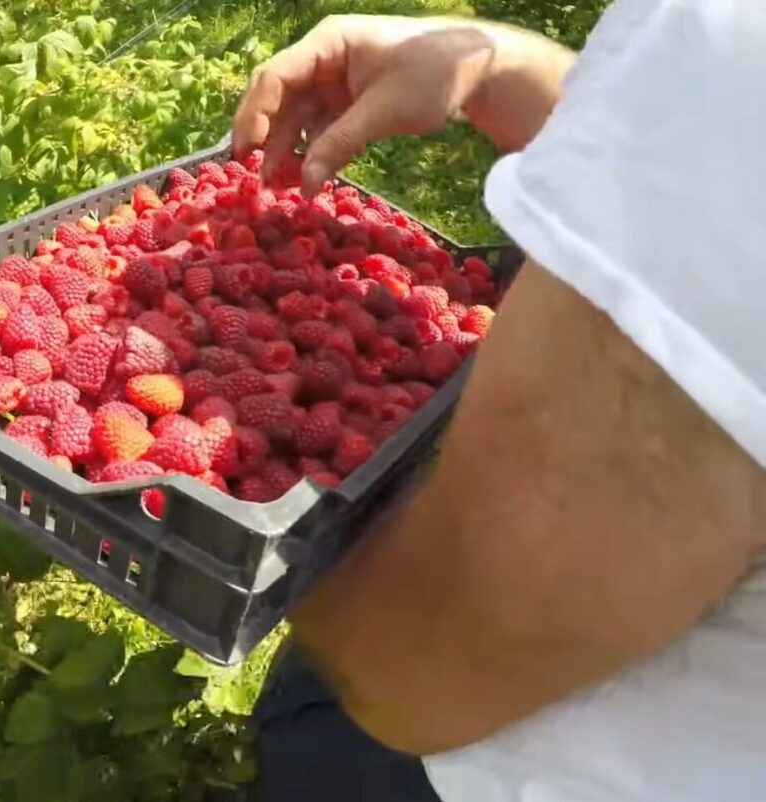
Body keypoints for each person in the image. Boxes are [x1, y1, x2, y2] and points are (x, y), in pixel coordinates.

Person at [231, 4, 766, 802]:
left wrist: (247, 549)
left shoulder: (734, 55)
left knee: (324, 710)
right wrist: (495, 66)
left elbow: (428, 662)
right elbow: (689, 183)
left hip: (510, 767)